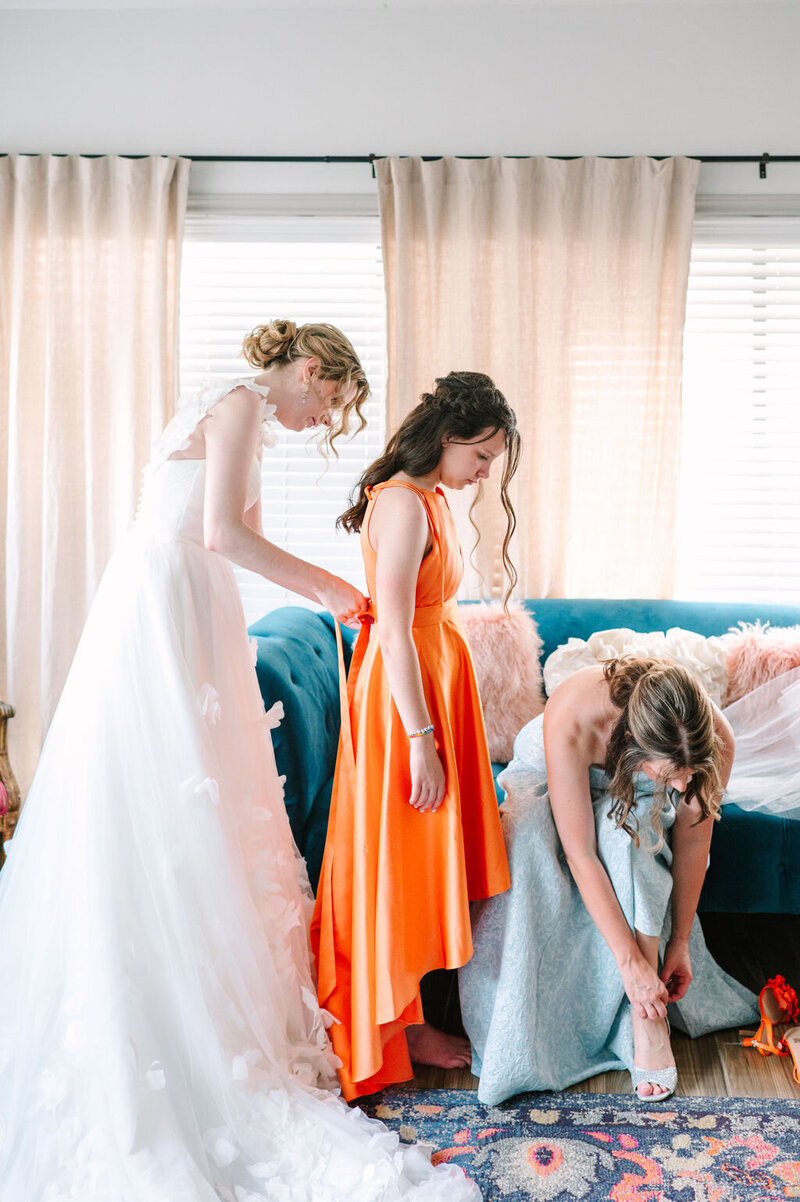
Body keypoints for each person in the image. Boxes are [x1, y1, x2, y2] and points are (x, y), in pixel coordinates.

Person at [0, 321, 480, 1201]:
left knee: (208, 806)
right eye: (330, 401)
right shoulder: (236, 404)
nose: (324, 419)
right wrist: (332, 588)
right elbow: (221, 533)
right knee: (163, 792)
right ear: (308, 370)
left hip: (197, 599)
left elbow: (242, 537)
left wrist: (326, 590)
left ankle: (218, 1010)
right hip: (162, 600)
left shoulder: (250, 424)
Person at [311, 371, 520, 1100]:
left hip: (431, 684)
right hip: (405, 702)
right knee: (398, 863)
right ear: (450, 437)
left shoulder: (429, 497)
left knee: (421, 861)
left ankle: (412, 1017)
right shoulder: (402, 504)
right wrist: (420, 739)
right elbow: (395, 632)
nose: (485, 472)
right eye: (482, 455)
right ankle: (395, 1027)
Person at [459, 656, 759, 1106]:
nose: (683, 786)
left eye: (691, 774)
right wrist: (629, 964)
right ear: (634, 743)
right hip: (550, 778)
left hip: (638, 791)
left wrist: (679, 942)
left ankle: (647, 1019)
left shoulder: (713, 739)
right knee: (529, 842)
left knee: (632, 839)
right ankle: (535, 1026)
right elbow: (580, 853)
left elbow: (695, 840)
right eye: (672, 775)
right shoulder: (576, 713)